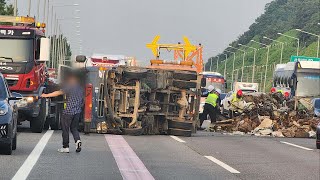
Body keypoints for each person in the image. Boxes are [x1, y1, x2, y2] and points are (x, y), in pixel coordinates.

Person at [41, 73, 83, 153]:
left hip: (68, 112)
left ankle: (65, 146)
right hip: (77, 112)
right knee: (74, 128)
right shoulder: (80, 88)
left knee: (65, 129)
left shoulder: (70, 87)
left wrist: (46, 95)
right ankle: (77, 141)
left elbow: (59, 92)